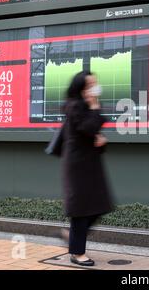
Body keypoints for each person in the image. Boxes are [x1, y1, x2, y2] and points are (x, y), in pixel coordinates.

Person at [60, 70, 114, 267]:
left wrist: (101, 141)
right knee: (82, 210)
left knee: (100, 205)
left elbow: (94, 134)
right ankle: (77, 252)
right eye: (91, 85)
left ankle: (72, 236)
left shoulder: (84, 106)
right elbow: (90, 129)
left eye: (95, 83)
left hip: (90, 164)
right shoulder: (74, 106)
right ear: (81, 88)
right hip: (78, 166)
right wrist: (94, 107)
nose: (95, 87)